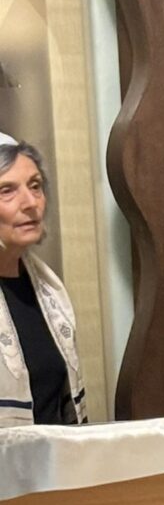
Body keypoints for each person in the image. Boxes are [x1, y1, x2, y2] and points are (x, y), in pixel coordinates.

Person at [0, 138, 86, 426]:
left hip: (55, 453)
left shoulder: (49, 291)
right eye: (6, 191)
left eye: (35, 186)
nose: (30, 203)